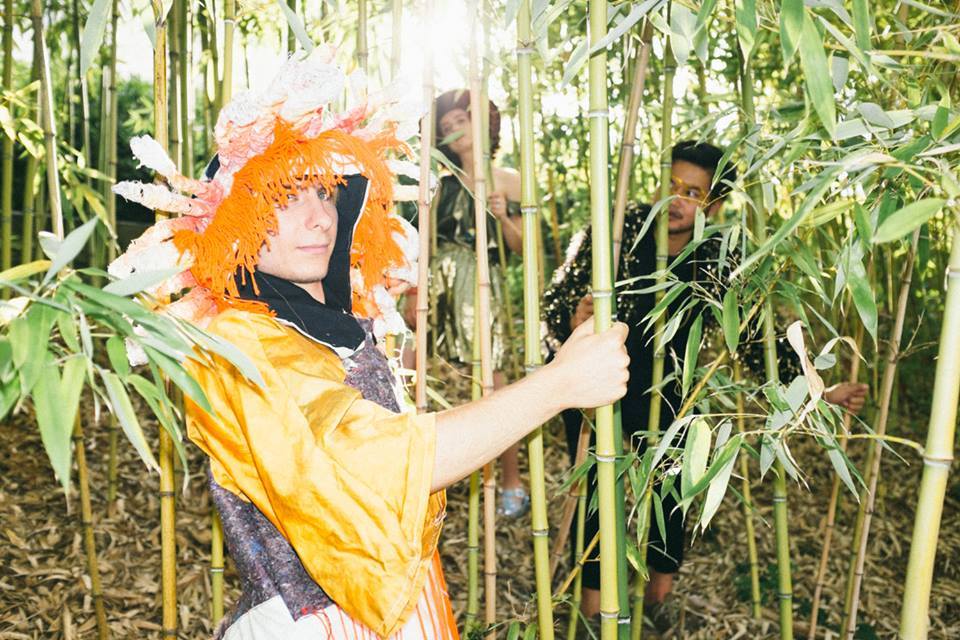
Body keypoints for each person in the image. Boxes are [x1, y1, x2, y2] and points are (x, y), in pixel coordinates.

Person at [109, 51, 630, 640]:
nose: (320, 219)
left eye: (324, 193)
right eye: (285, 197)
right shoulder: (237, 343)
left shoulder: (320, 318)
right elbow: (385, 462)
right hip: (313, 624)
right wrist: (558, 385)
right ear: (234, 222)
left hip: (398, 599)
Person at [542, 140, 869, 619]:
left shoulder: (719, 254)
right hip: (593, 379)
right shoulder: (613, 230)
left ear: (714, 205)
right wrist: (573, 321)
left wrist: (818, 387)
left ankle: (658, 598)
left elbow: (755, 338)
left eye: (692, 193)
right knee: (595, 492)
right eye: (671, 185)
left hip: (669, 383)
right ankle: (593, 612)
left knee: (672, 486)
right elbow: (555, 302)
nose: (675, 200)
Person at [404, 89, 528, 518]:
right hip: (436, 282)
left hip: (481, 283)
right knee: (407, 363)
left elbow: (524, 248)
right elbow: (421, 244)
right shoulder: (438, 184)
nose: (454, 130)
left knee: (493, 379)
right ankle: (404, 472)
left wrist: (504, 215)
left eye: (460, 120)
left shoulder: (508, 180)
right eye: (446, 127)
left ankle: (511, 479)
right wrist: (412, 290)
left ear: (481, 125)